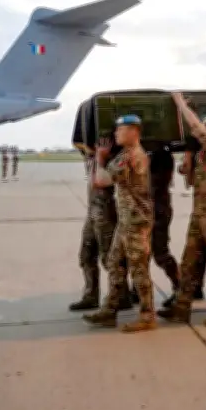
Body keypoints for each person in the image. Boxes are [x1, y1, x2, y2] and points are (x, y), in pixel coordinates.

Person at [158, 94, 206, 325]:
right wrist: (188, 160)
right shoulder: (202, 155)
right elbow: (191, 181)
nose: (205, 131)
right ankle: (181, 307)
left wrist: (181, 104)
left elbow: (196, 128)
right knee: (189, 261)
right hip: (199, 212)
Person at [83, 115, 156, 333]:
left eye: (120, 129)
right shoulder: (125, 154)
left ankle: (147, 315)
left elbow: (100, 181)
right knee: (115, 264)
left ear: (134, 132)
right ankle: (109, 310)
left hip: (135, 222)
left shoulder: (132, 156)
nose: (116, 133)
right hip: (126, 221)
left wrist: (100, 157)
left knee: (139, 269)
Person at [70, 133, 133, 312]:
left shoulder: (110, 160)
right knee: (86, 255)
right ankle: (90, 295)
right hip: (92, 211)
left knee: (109, 258)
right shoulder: (92, 156)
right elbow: (81, 146)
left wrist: (101, 156)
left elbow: (100, 182)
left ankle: (122, 295)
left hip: (105, 211)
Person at [149, 147, 181, 307]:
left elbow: (154, 183)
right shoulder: (156, 155)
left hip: (158, 212)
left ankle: (179, 286)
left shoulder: (161, 156)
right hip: (152, 210)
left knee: (160, 253)